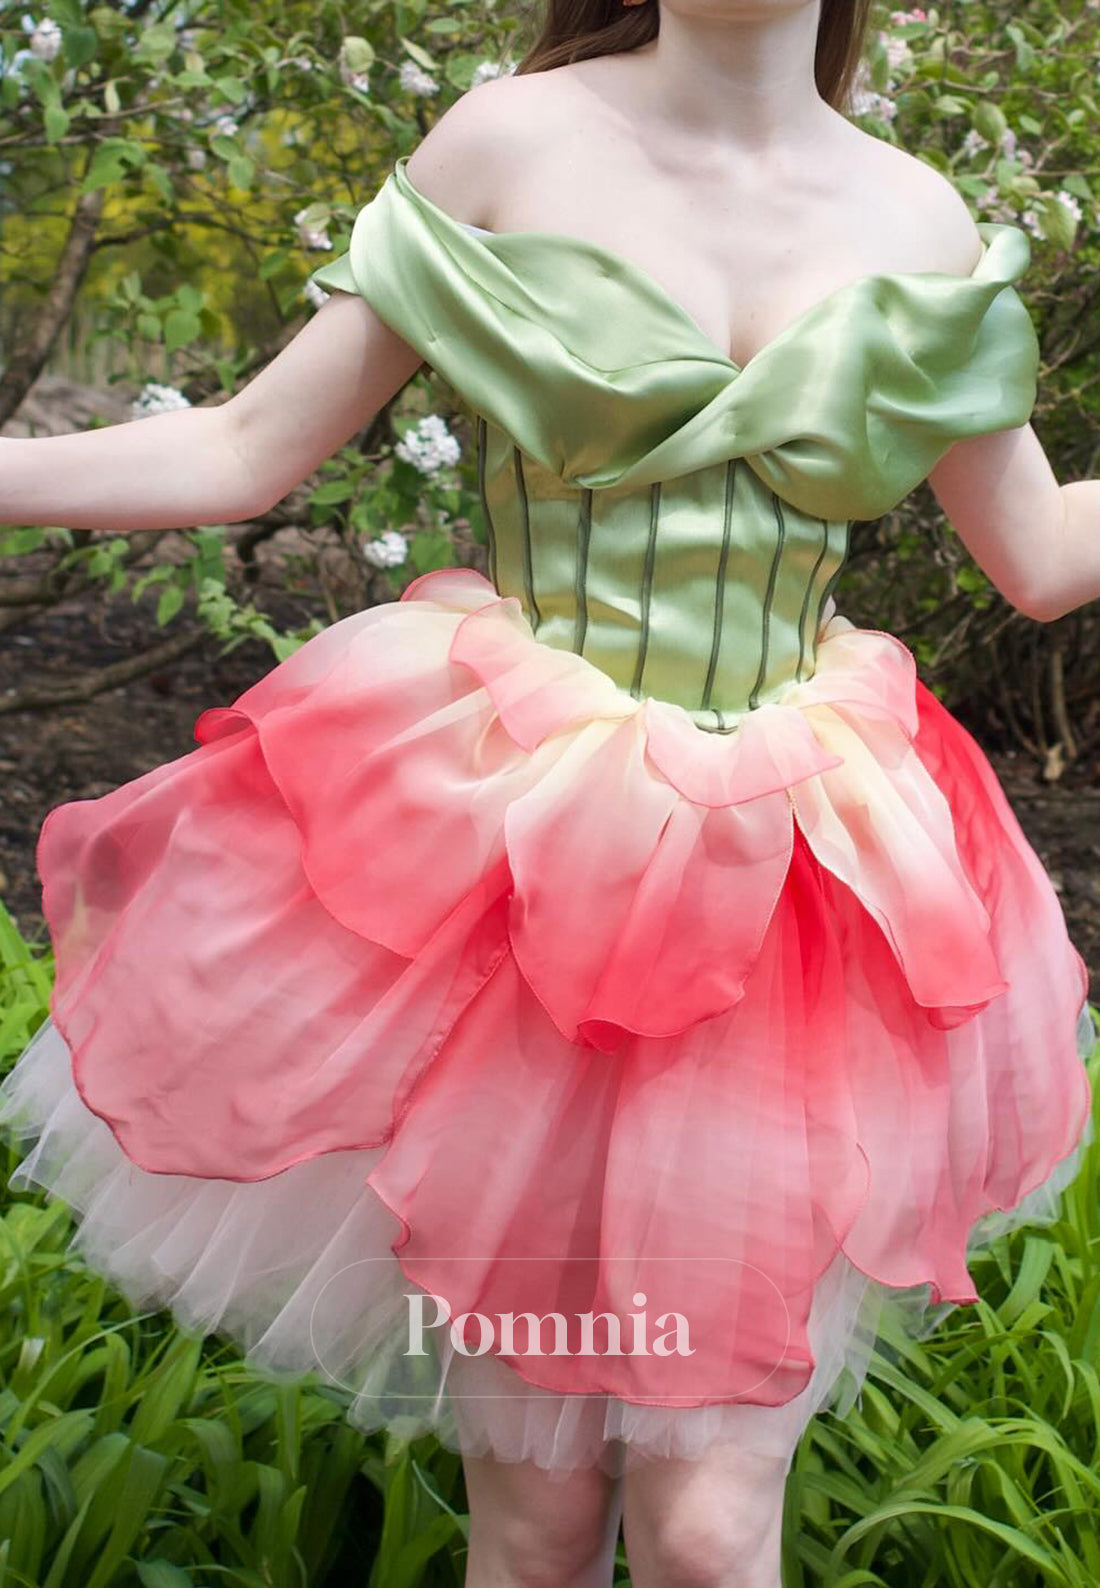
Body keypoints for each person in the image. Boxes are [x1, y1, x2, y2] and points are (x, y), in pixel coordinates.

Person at [2, 1, 1099, 1583]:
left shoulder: (912, 212)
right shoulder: (517, 139)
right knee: (540, 1521)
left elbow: (1041, 552)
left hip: (790, 881)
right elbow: (244, 449)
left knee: (710, 1531)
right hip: (518, 854)